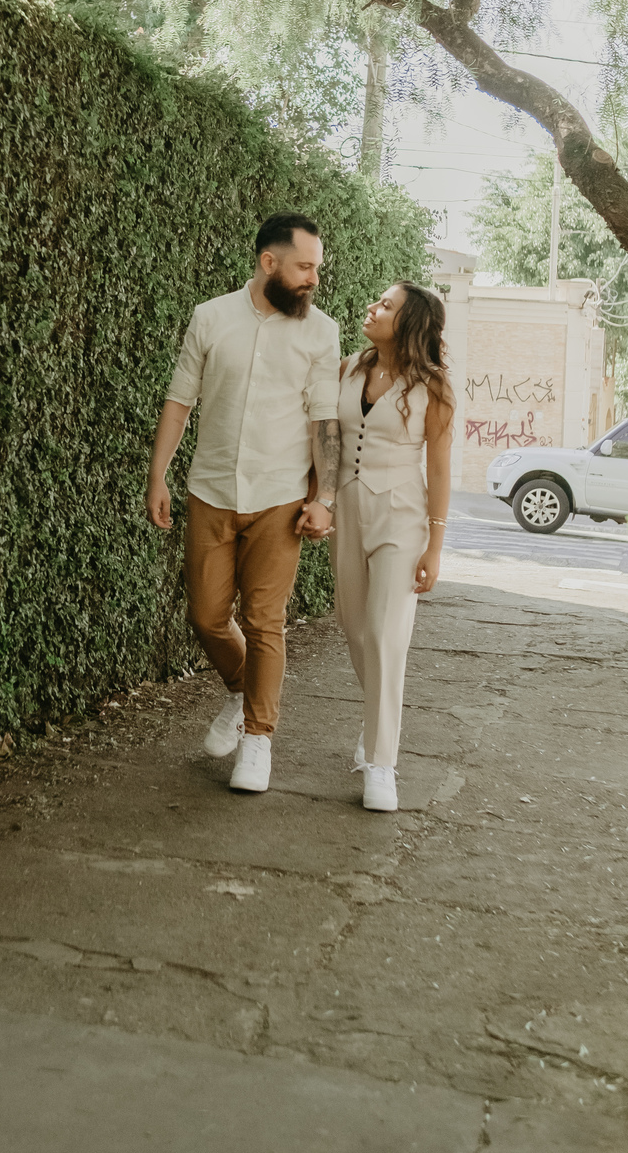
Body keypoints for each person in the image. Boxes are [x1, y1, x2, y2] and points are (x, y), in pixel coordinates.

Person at [145, 214, 341, 793]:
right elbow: (180, 400)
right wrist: (158, 476)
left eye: (316, 268)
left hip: (280, 497)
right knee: (206, 616)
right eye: (304, 267)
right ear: (268, 262)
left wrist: (325, 497)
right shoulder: (210, 317)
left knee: (264, 622)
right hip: (210, 490)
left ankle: (258, 738)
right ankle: (242, 690)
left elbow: (324, 422)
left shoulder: (321, 332)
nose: (313, 279)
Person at [330, 282, 454, 813]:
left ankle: (381, 763)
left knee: (385, 634)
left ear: (409, 323)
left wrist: (435, 546)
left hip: (402, 518)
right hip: (347, 509)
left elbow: (440, 469)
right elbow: (327, 439)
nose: (372, 308)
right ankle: (376, 719)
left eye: (386, 305)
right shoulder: (347, 368)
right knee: (354, 627)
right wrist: (321, 499)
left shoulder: (434, 387)